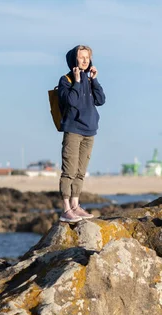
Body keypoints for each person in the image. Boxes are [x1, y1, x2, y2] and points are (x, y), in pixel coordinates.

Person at [57, 45, 106, 223]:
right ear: (74, 60)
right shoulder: (66, 80)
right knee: (69, 171)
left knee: (80, 172)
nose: (85, 60)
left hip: (90, 130)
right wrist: (77, 81)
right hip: (73, 130)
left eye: (87, 57)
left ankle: (76, 206)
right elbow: (72, 101)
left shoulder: (89, 79)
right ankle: (66, 210)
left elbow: (101, 100)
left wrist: (94, 80)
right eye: (81, 57)